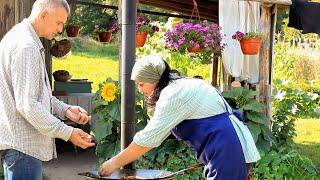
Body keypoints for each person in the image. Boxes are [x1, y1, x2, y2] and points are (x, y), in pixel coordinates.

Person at [99, 55, 261, 179]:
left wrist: (113, 163)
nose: (141, 90)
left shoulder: (174, 95)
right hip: (227, 146)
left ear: (155, 80)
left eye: (142, 84)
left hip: (226, 149)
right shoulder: (180, 85)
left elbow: (147, 139)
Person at [0, 0, 95, 179]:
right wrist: (68, 132)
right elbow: (28, 105)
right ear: (44, 15)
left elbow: (37, 95)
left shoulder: (23, 38)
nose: (60, 30)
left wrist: (66, 110)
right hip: (23, 150)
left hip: (22, 150)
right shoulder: (26, 46)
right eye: (59, 22)